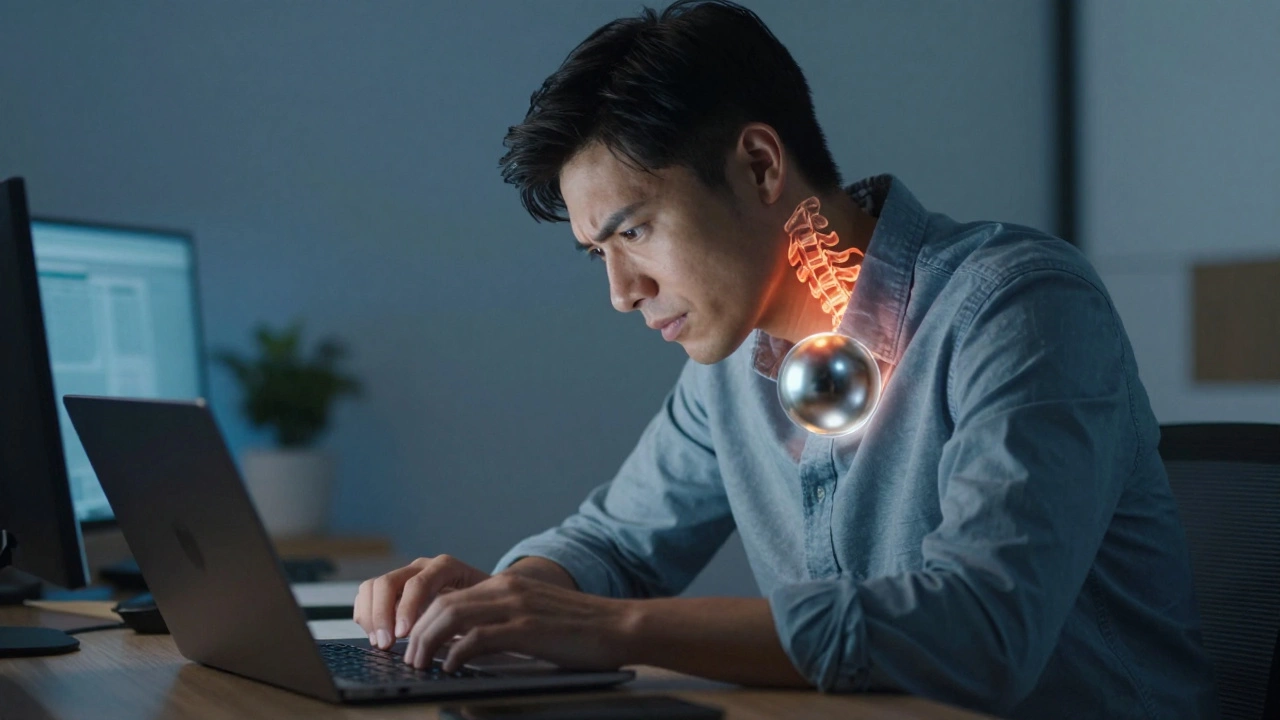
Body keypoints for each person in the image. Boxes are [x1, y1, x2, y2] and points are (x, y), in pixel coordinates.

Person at [353, 1, 1218, 717]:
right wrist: (505, 603)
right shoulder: (731, 368)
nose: (621, 291)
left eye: (636, 231)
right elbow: (614, 544)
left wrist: (608, 629)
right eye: (598, 254)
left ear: (761, 166)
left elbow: (980, 633)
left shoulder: (1018, 307)